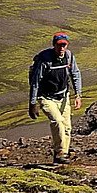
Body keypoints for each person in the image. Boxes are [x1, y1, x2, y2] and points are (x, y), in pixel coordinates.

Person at [28, 32, 82, 164]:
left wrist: (78, 95)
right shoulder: (45, 60)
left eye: (64, 45)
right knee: (57, 121)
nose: (61, 48)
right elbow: (36, 81)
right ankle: (60, 153)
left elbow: (75, 74)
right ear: (54, 45)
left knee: (67, 127)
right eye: (59, 45)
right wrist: (32, 103)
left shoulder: (69, 57)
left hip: (63, 96)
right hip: (46, 97)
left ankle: (63, 155)